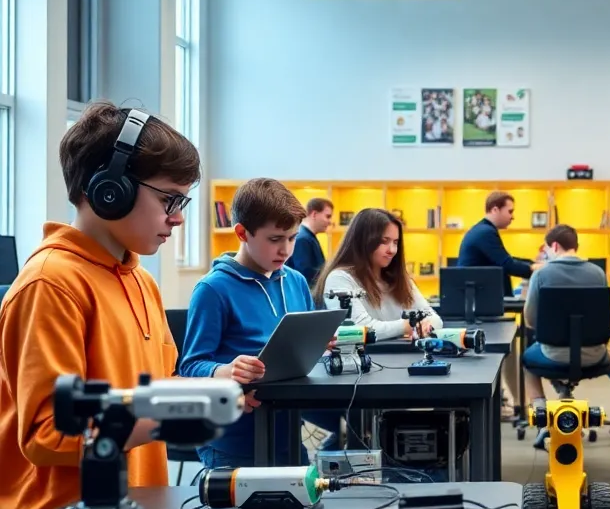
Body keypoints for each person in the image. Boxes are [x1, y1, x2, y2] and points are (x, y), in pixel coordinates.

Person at [0, 102, 223, 509]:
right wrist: (167, 418)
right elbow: (46, 433)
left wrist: (211, 393)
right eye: (168, 199)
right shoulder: (51, 284)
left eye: (183, 202)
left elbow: (157, 385)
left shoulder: (141, 281)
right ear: (108, 188)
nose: (176, 218)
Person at [179, 178, 340, 468]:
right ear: (242, 233)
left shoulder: (296, 281)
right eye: (275, 239)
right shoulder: (213, 289)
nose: (286, 250)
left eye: (292, 238)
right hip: (233, 441)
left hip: (287, 434)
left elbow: (299, 355)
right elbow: (191, 366)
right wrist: (227, 370)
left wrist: (319, 346)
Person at [521, 225, 610, 407]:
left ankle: (540, 409)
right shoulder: (598, 273)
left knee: (526, 359)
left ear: (554, 246)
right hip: (595, 355)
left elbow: (529, 320)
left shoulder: (541, 275)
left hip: (552, 354)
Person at [316, 207, 441, 340]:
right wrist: (408, 325)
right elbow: (358, 329)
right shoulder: (340, 278)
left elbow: (435, 319)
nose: (392, 250)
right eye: (384, 241)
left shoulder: (400, 279)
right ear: (363, 241)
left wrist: (425, 325)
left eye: (395, 242)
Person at [457, 191, 538, 295]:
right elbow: (507, 264)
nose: (512, 217)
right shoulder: (485, 232)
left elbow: (504, 259)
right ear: (495, 210)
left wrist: (532, 264)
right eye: (510, 211)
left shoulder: (483, 229)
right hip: (480, 301)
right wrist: (533, 269)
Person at [287, 197, 332, 289]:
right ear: (314, 214)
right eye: (328, 216)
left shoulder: (308, 237)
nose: (329, 222)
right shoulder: (303, 239)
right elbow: (305, 277)